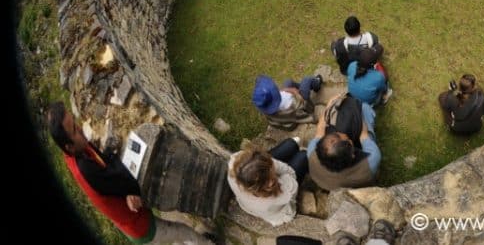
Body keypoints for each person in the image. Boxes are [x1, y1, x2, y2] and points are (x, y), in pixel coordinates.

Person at [45, 102, 214, 244]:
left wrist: (115, 165)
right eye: (75, 129)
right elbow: (125, 180)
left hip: (133, 216)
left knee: (175, 234)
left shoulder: (76, 149)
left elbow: (112, 168)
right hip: (137, 225)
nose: (81, 128)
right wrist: (125, 186)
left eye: (75, 122)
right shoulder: (86, 169)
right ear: (69, 146)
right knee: (181, 231)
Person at [227, 137, 308, 226]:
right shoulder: (283, 193)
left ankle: (293, 146)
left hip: (255, 197)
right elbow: (291, 174)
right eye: (266, 181)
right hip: (277, 207)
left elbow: (272, 165)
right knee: (303, 156)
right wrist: (276, 171)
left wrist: (271, 169)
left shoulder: (236, 167)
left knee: (290, 144)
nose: (271, 182)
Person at [307, 94, 381, 190]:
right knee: (366, 110)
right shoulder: (372, 159)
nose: (341, 133)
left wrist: (329, 106)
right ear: (352, 154)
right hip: (356, 187)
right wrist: (359, 113)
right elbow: (364, 134)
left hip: (325, 184)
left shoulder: (312, 152)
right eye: (347, 139)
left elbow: (320, 128)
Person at [253, 75, 322, 130]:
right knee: (306, 79)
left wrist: (285, 90)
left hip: (285, 118)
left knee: (288, 81)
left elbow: (282, 93)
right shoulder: (287, 101)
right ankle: (317, 83)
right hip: (302, 107)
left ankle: (304, 86)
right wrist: (295, 92)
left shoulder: (265, 107)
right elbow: (300, 100)